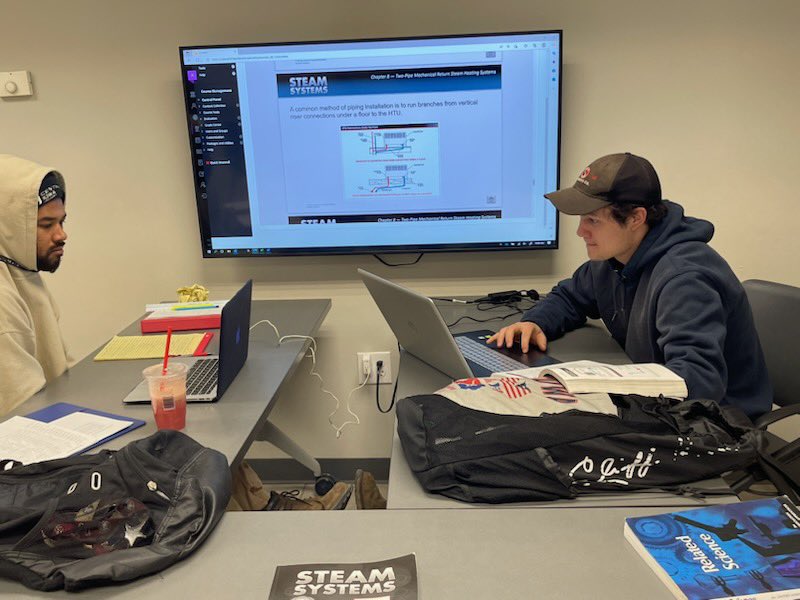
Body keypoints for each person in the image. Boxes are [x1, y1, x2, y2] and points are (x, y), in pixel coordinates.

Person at [487, 152, 772, 419]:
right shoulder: (614, 259)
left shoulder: (685, 278)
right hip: (662, 407)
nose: (580, 231)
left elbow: (698, 383)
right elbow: (570, 297)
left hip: (719, 422)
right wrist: (536, 322)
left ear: (636, 218)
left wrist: (604, 388)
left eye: (593, 220)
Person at [0, 154, 72, 416]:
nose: (61, 235)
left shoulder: (21, 274)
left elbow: (64, 374)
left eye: (61, 222)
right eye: (46, 225)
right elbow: (27, 411)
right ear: (8, 227)